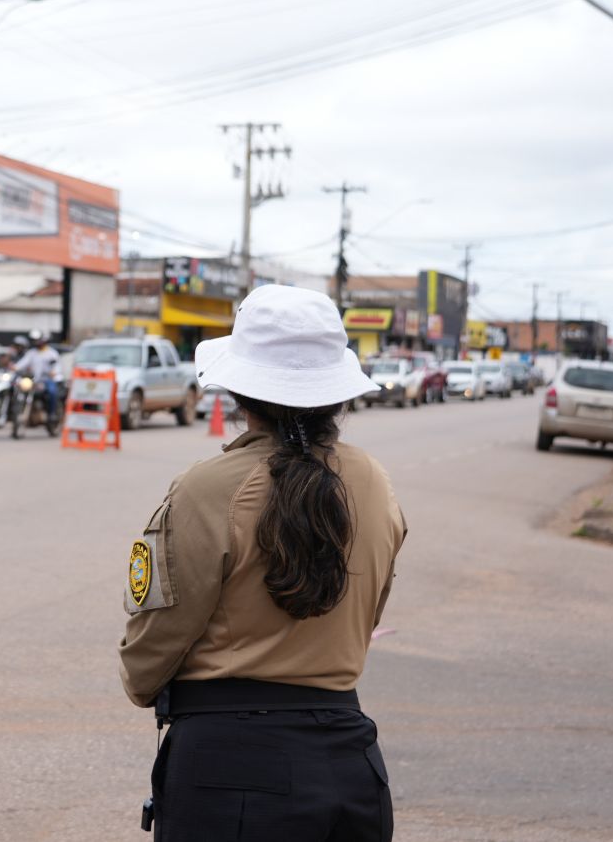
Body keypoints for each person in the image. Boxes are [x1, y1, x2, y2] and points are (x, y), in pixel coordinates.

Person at [119, 284, 405, 841]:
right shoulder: (374, 481)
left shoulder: (207, 487)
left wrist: (143, 680)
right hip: (349, 766)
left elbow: (154, 645)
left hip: (229, 770)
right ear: (335, 393)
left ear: (238, 391)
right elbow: (368, 614)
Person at [14, 329, 62, 421]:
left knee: (52, 392)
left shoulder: (52, 353)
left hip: (47, 380)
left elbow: (57, 366)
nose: (36, 342)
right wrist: (15, 367)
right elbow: (23, 363)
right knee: (21, 389)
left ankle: (51, 414)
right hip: (35, 380)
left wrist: (54, 372)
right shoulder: (31, 353)